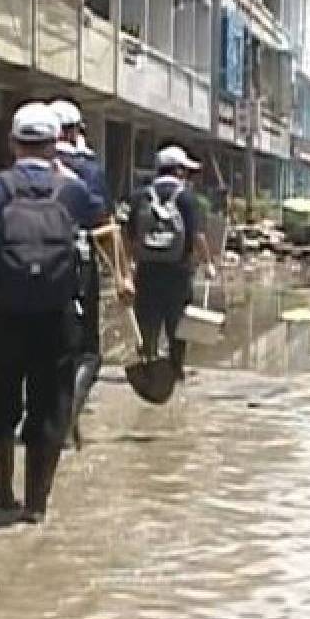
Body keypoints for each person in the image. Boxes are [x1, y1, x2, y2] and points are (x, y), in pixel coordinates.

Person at [0, 102, 98, 524]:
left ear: (13, 142)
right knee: (50, 406)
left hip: (4, 314)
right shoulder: (73, 191)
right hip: (57, 315)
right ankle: (36, 505)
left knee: (0, 400)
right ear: (57, 144)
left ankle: (1, 492)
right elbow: (90, 242)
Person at [49, 99, 114, 448]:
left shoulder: (17, 170)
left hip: (27, 273)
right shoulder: (89, 172)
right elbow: (104, 226)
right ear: (74, 131)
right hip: (77, 268)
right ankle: (67, 418)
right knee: (88, 353)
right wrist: (122, 275)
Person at [124, 145, 217, 381]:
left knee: (147, 320)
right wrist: (208, 263)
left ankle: (149, 366)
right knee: (177, 322)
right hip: (178, 270)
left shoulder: (139, 196)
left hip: (146, 270)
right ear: (178, 171)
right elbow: (197, 236)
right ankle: (175, 370)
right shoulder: (187, 198)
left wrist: (127, 267)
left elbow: (128, 236)